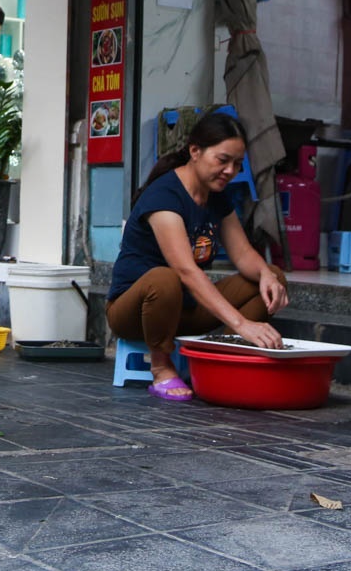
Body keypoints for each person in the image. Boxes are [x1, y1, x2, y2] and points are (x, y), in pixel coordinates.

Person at [106, 112, 289, 402]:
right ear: (195, 151)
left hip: (185, 310)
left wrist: (266, 274)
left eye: (237, 164)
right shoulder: (164, 197)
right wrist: (243, 324)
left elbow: (242, 254)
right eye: (223, 160)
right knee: (164, 278)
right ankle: (161, 366)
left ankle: (222, 360)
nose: (230, 170)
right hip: (137, 312)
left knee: (271, 276)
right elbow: (186, 271)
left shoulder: (217, 196)